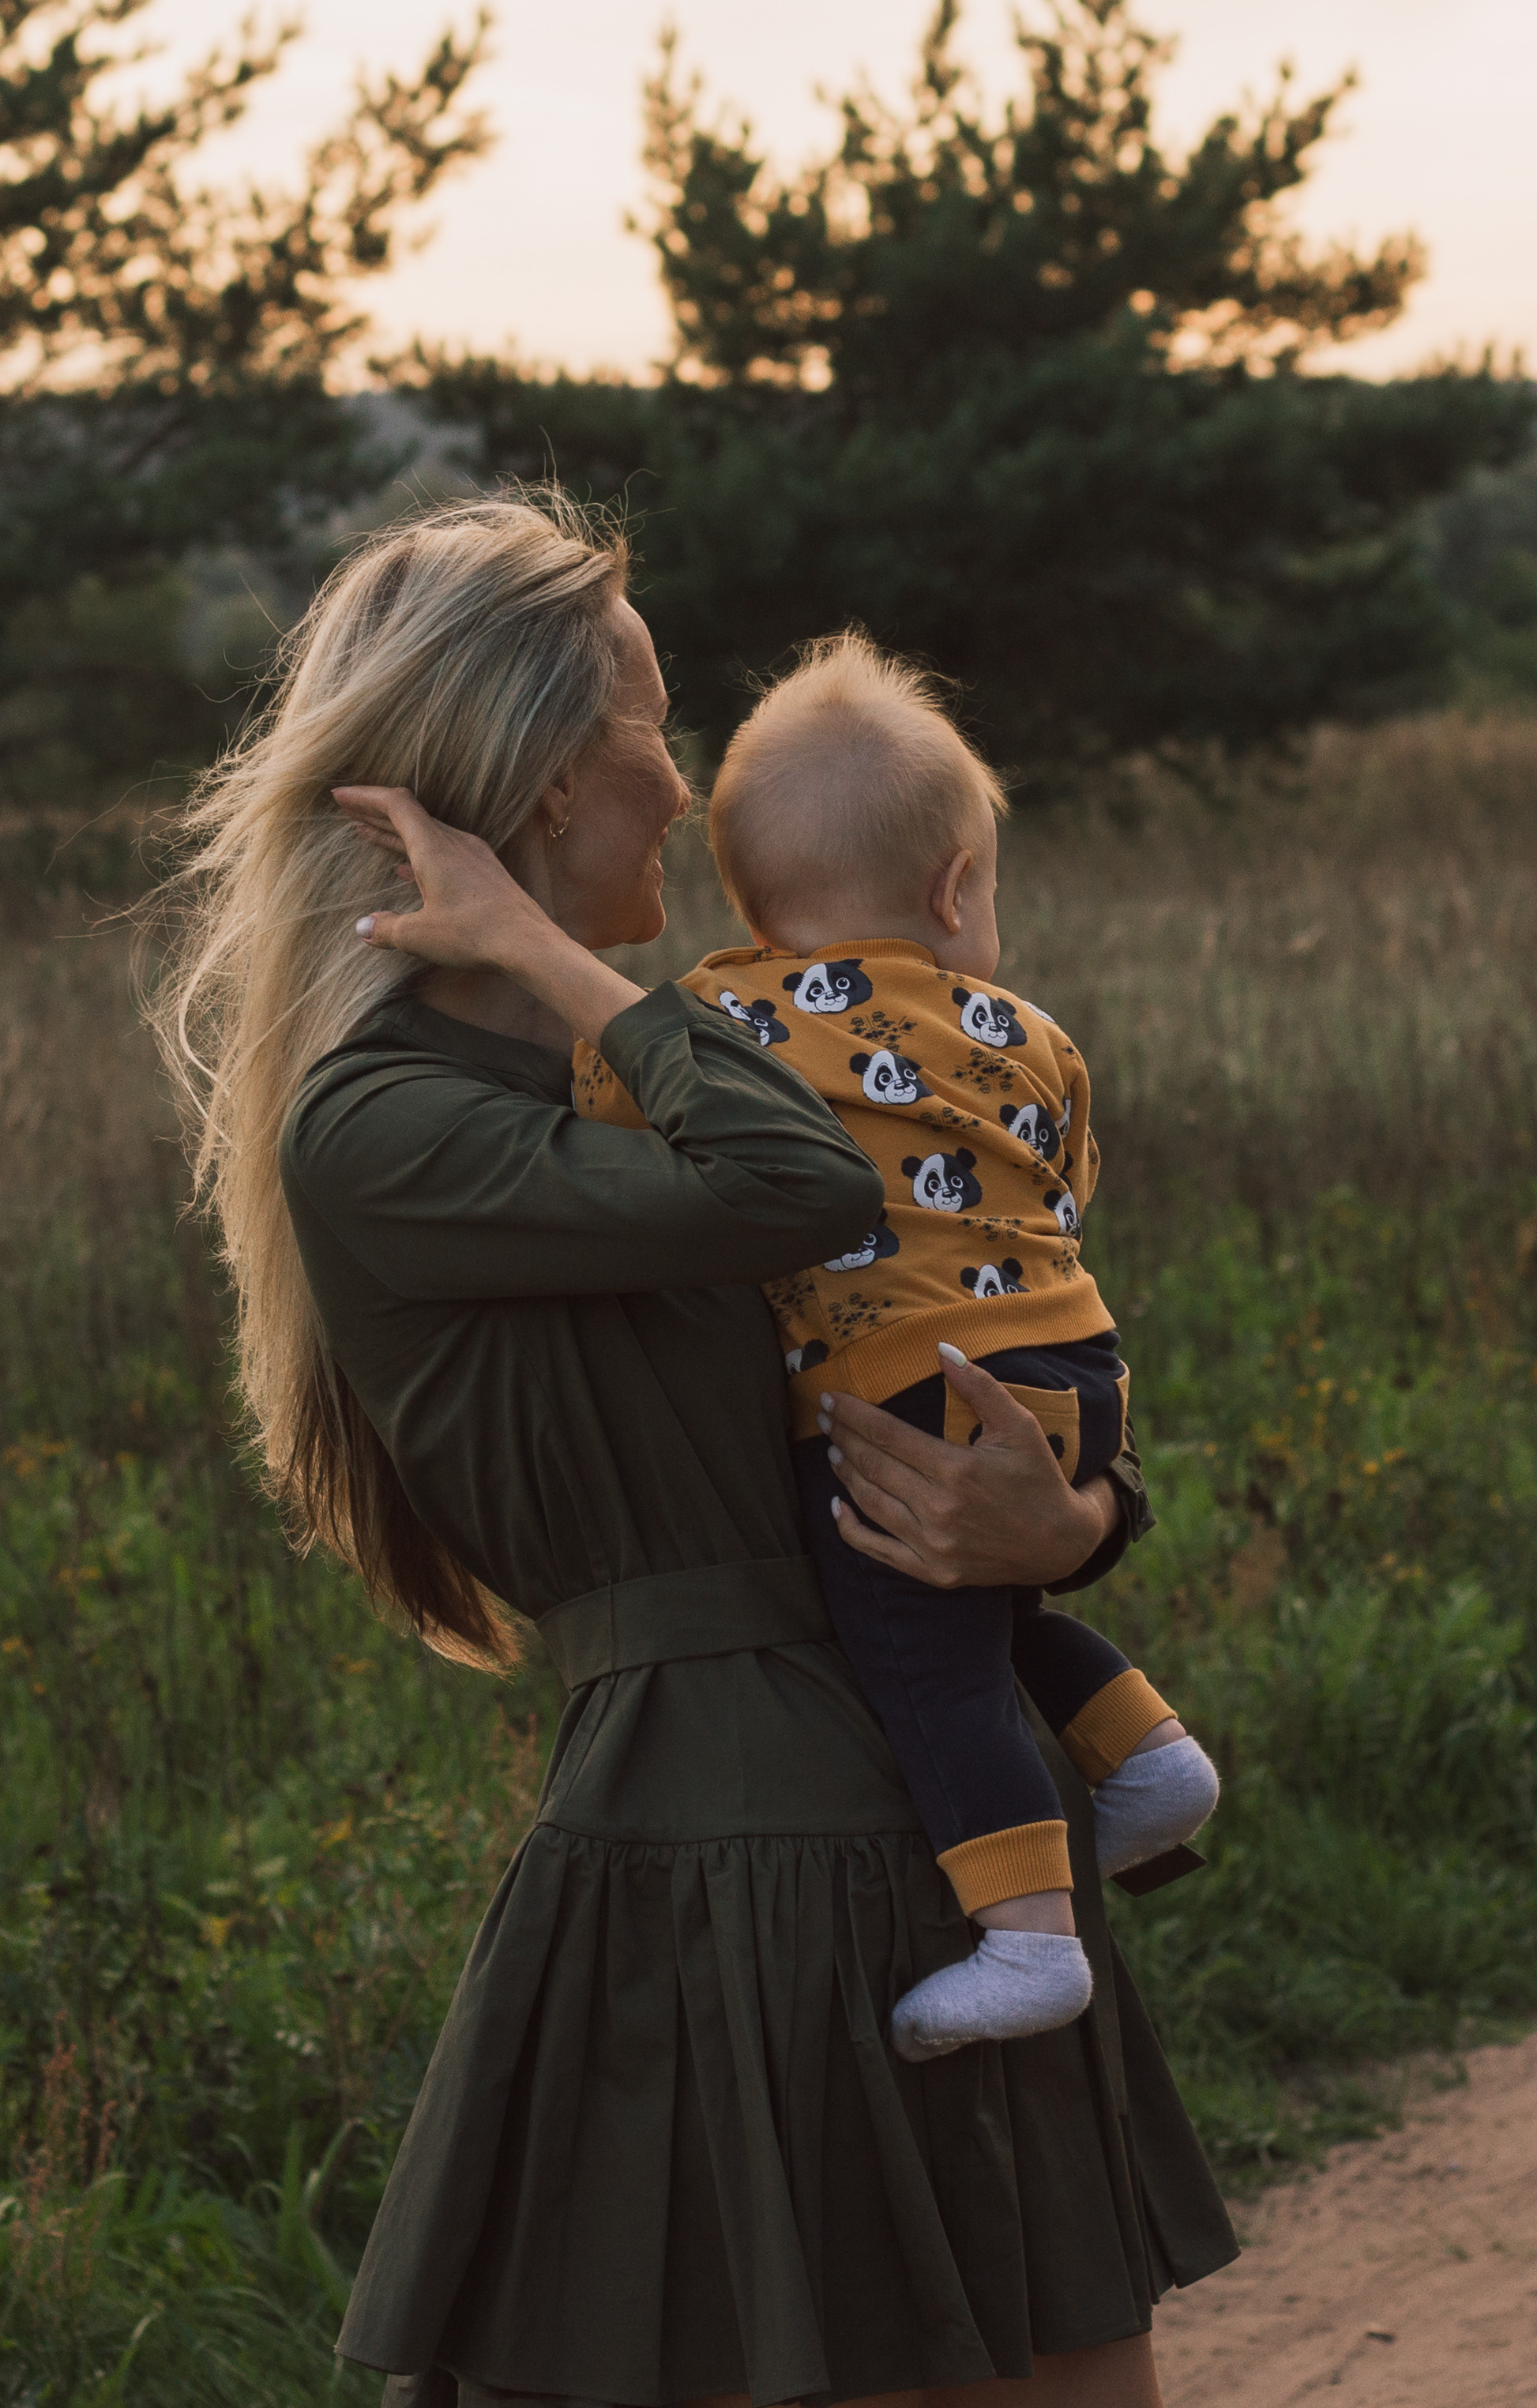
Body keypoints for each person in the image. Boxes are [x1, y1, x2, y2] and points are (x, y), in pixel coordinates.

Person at [149, 494, 1237, 2408]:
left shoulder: (693, 1057)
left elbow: (968, 1316)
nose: (682, 782)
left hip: (935, 1811)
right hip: (740, 1854)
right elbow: (800, 1193)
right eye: (651, 725)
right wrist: (560, 965)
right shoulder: (395, 1124)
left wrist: (1063, 1522)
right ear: (543, 780)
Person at [571, 632, 1219, 2065]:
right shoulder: (1031, 1031)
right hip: (1073, 1361)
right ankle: (1145, 1753)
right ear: (953, 885)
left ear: (747, 899)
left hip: (899, 1385)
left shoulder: (721, 1021)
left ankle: (1029, 1937)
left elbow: (611, 1102)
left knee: (915, 1656)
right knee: (982, 1609)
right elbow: (1063, 1187)